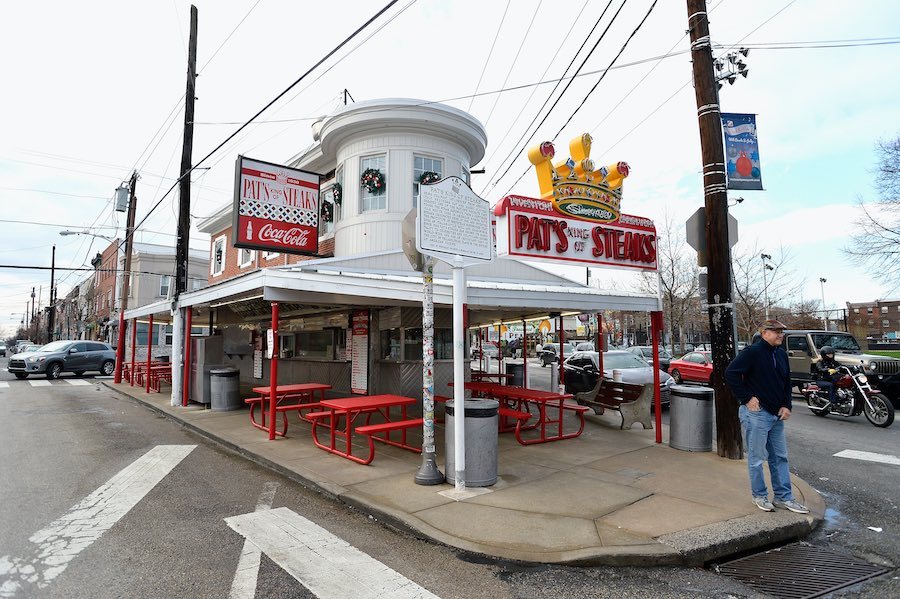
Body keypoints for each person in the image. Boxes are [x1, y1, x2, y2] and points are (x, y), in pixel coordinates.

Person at [724, 319, 810, 514]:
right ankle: (759, 496)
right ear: (764, 333)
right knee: (756, 458)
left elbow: (786, 382)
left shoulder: (780, 354)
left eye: (782, 331)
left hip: (776, 415)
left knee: (780, 457)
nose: (781, 334)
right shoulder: (752, 352)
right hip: (757, 414)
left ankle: (783, 497)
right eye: (776, 331)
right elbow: (731, 373)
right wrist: (746, 398)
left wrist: (787, 405)